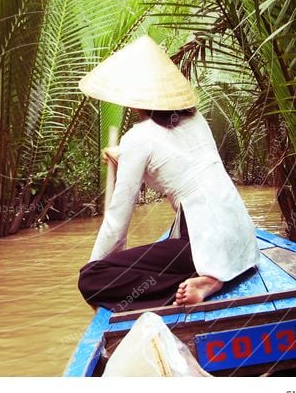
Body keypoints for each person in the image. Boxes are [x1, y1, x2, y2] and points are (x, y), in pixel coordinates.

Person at [76, 35, 260, 312]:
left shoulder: (137, 138)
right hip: (242, 238)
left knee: (90, 280)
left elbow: (117, 224)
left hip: (199, 243)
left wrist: (97, 267)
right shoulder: (196, 120)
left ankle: (204, 279)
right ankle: (210, 275)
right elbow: (179, 162)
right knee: (149, 262)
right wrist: (122, 157)